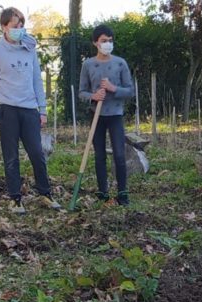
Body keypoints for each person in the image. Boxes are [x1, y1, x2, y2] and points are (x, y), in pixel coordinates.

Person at [0, 7, 61, 215]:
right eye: (14, 26)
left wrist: (42, 109)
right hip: (6, 109)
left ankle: (45, 193)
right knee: (11, 156)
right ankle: (15, 199)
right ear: (4, 27)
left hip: (29, 109)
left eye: (21, 26)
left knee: (37, 152)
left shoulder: (29, 48)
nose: (19, 30)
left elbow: (37, 79)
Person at [78, 24, 136, 206]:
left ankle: (123, 193)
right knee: (100, 155)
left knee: (119, 154)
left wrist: (113, 89)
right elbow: (81, 92)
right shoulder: (88, 65)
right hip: (97, 115)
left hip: (115, 115)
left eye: (110, 41)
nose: (107, 44)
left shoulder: (120, 63)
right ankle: (102, 193)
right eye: (104, 41)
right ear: (95, 43)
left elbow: (130, 91)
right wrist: (93, 96)